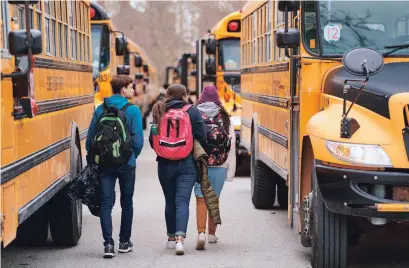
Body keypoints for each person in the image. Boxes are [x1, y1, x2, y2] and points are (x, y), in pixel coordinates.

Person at [86, 75, 144, 258]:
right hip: (127, 164)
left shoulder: (100, 109)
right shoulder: (133, 110)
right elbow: (138, 141)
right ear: (123, 89)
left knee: (105, 203)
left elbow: (90, 141)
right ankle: (124, 242)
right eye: (131, 87)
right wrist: (131, 156)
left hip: (105, 164)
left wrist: (97, 157)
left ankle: (108, 245)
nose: (133, 90)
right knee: (127, 203)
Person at [149, 84, 207, 255]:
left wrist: (166, 150)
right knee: (182, 201)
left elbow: (153, 140)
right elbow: (203, 136)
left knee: (169, 201)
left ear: (167, 95)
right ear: (185, 95)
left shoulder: (160, 109)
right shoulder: (192, 111)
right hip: (186, 163)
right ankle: (181, 241)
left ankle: (171, 237)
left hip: (165, 164)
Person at [194, 85, 236, 250]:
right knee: (214, 198)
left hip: (200, 163)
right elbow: (231, 145)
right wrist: (230, 172)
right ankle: (212, 234)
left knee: (200, 199)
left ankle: (201, 233)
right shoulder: (225, 117)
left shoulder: (195, 114)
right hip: (220, 164)